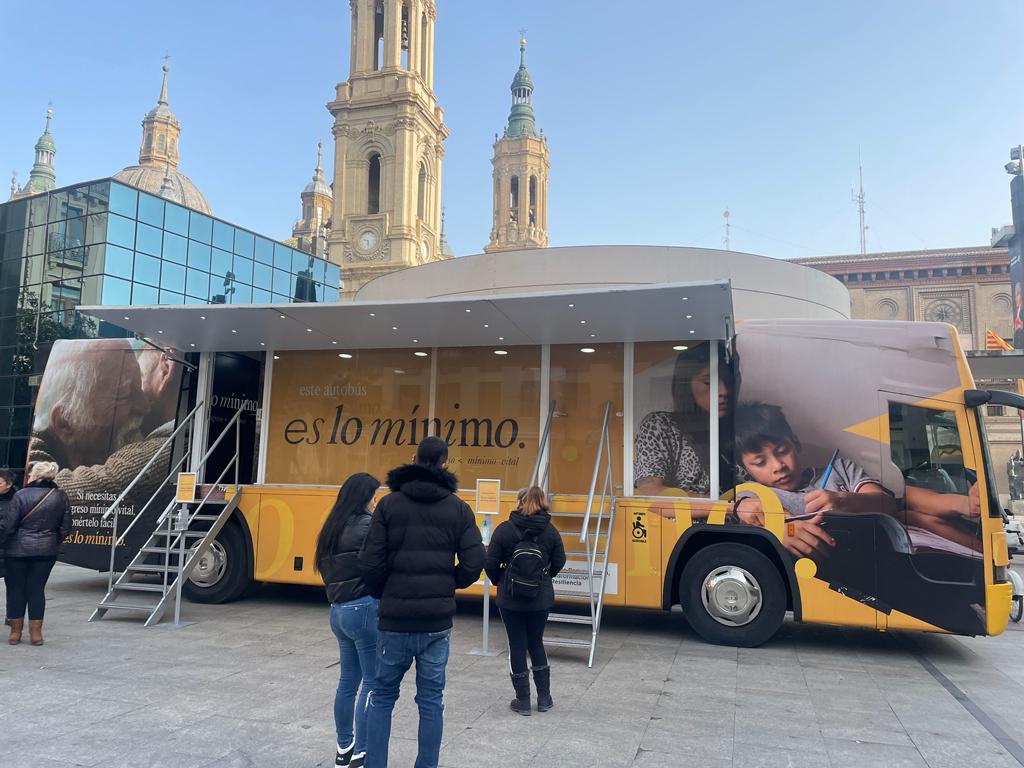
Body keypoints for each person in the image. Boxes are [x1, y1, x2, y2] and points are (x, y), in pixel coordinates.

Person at [358, 436, 485, 768]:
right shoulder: (458, 508)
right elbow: (475, 560)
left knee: (383, 696)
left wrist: (383, 591)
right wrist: (450, 582)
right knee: (431, 701)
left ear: (413, 458)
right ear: (445, 463)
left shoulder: (388, 505)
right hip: (435, 623)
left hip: (394, 621)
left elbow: (369, 562)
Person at [732, 402, 897, 559]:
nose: (777, 466)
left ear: (796, 443)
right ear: (746, 469)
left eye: (782, 451)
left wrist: (844, 501)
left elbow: (888, 505)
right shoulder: (750, 495)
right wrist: (781, 530)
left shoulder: (840, 469)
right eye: (760, 462)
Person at [315, 472, 382, 768]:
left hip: (338, 612)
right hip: (364, 609)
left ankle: (344, 747)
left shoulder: (331, 527)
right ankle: (363, 752)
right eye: (373, 495)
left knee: (347, 683)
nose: (376, 499)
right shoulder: (368, 526)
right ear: (363, 497)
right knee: (372, 681)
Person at [484, 486, 566, 715]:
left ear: (519, 502)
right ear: (543, 503)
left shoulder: (505, 529)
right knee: (536, 642)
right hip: (539, 598)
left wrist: (501, 580)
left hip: (510, 599)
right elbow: (560, 560)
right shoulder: (550, 531)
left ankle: (522, 701)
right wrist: (545, 577)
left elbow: (490, 563)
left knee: (517, 645)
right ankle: (544, 698)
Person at [634, 341, 735, 499]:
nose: (724, 391)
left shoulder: (742, 429)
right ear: (686, 385)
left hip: (742, 521)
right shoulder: (661, 426)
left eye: (729, 381)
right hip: (686, 523)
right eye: (708, 382)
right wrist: (725, 507)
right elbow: (650, 491)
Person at [1, 461, 71, 645]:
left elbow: (9, 526)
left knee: (16, 589)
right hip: (46, 552)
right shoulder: (61, 496)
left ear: (34, 475)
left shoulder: (21, 495)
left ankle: (15, 634)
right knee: (36, 590)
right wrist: (52, 542)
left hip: (17, 551)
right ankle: (36, 635)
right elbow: (65, 528)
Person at [0, 468, 19, 625]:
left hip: (10, 549)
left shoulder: (17, 500)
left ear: (9, 484)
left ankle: (12, 616)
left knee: (13, 585)